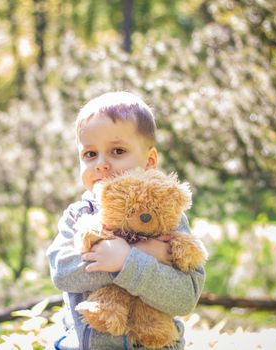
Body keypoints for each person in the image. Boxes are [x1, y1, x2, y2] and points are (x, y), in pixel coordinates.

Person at [46, 91, 205, 350]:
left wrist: (129, 263)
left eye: (117, 151)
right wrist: (130, 257)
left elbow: (185, 297)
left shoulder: (166, 218)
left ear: (150, 161)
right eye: (89, 154)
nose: (101, 164)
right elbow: (62, 272)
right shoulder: (79, 216)